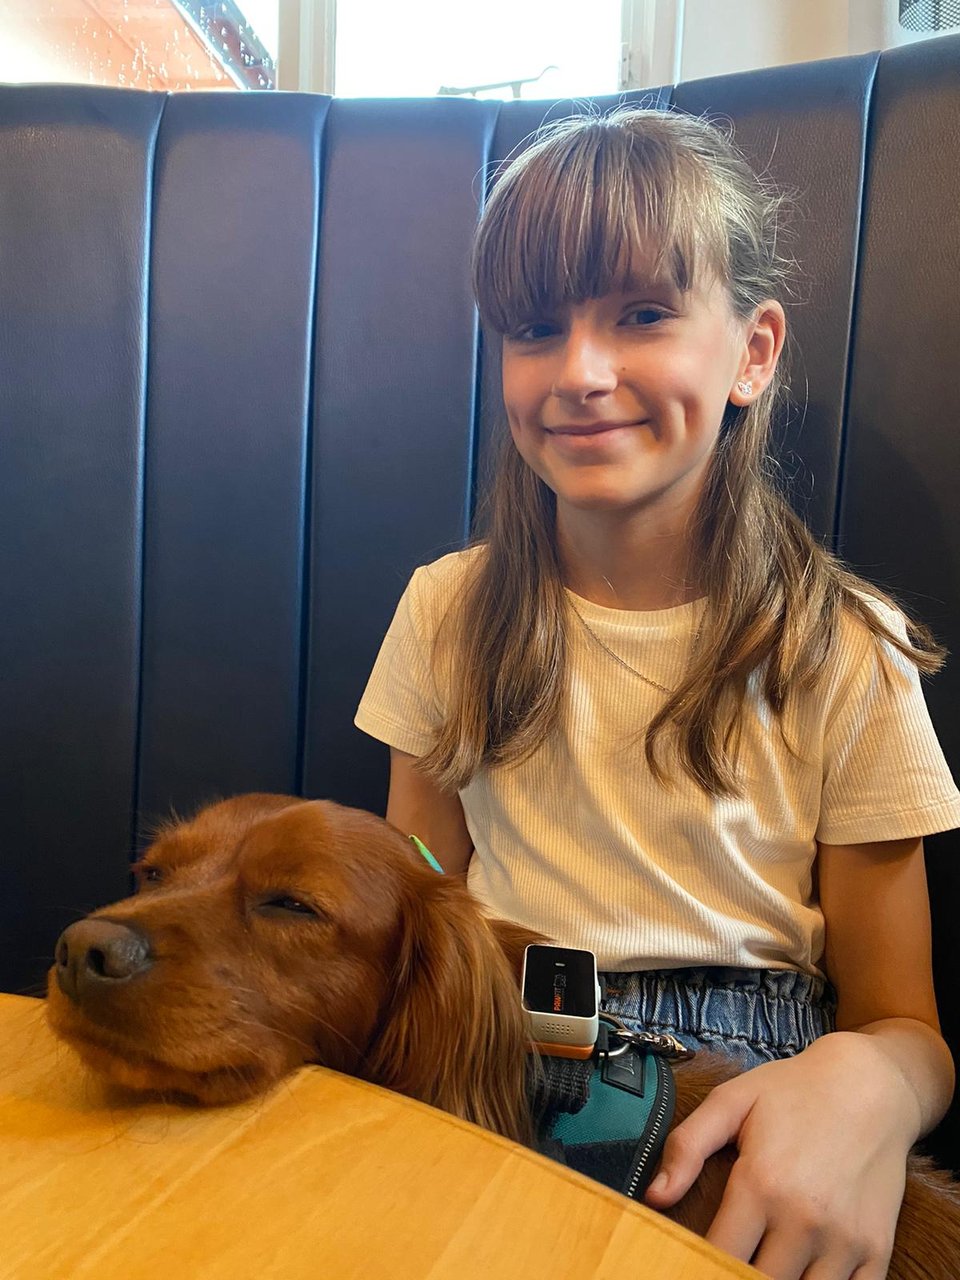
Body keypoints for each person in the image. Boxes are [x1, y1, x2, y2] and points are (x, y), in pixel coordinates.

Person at [355, 108, 960, 1280]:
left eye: (640, 314)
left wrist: (873, 1080)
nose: (581, 372)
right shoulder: (446, 610)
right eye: (536, 329)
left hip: (751, 1102)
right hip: (497, 1058)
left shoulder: (845, 647)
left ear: (753, 352)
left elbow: (910, 1027)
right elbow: (415, 898)